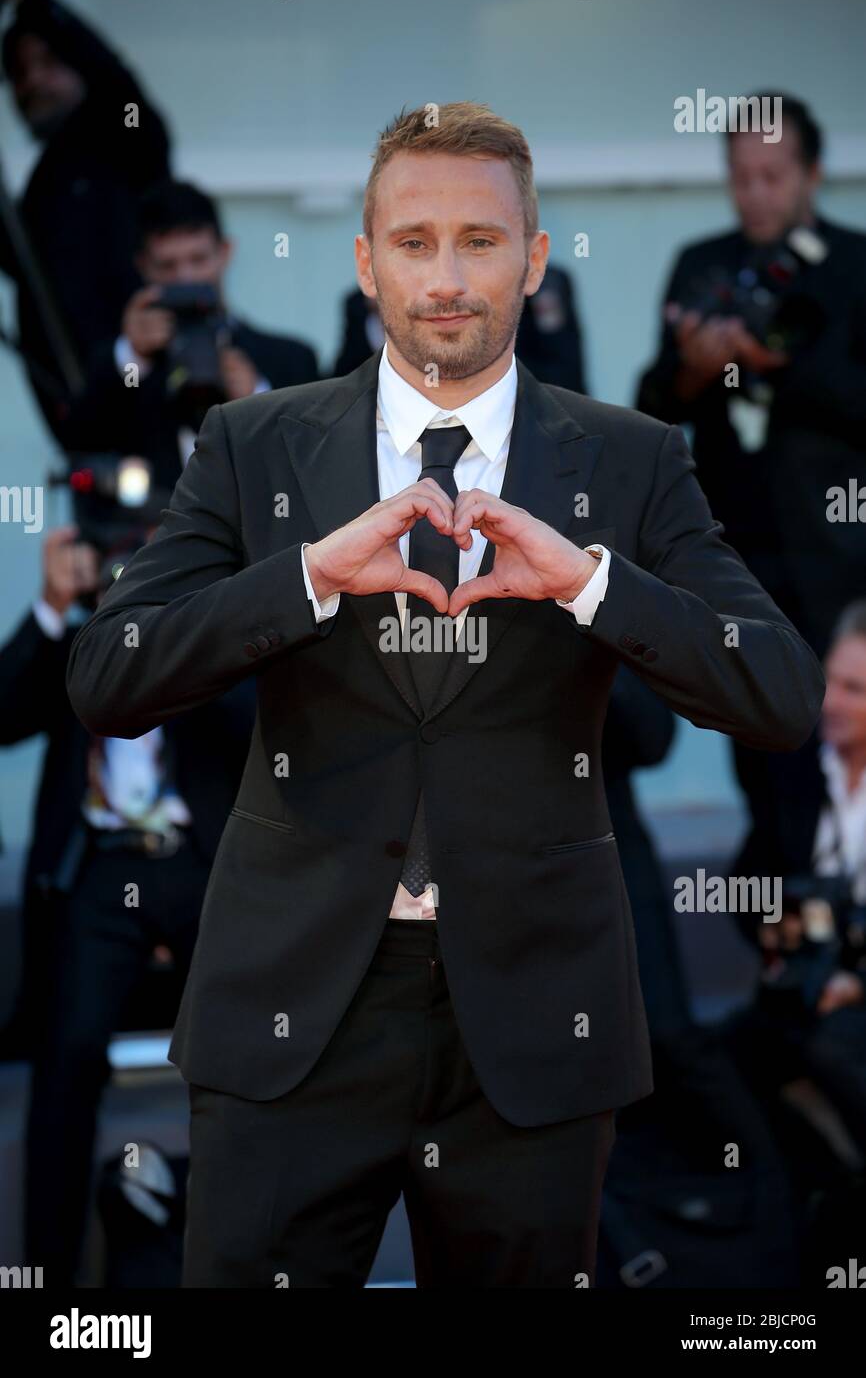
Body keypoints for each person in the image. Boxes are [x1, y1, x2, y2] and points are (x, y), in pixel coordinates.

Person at [65, 101, 824, 1289]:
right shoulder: (250, 444)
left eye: (480, 240)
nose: (447, 275)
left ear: (532, 256)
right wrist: (308, 576)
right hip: (293, 1013)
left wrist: (588, 585)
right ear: (366, 263)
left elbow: (777, 691)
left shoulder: (628, 459)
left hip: (533, 1021)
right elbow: (109, 674)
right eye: (413, 241)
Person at [0, 524, 256, 1286]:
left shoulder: (199, 632)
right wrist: (55, 604)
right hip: (102, 871)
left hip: (201, 861)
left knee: (253, 1046)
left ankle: (252, 1255)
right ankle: (46, 1278)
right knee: (68, 1050)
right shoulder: (72, 643)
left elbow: (252, 725)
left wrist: (187, 616)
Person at [635, 88, 866, 892]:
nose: (757, 193)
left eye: (773, 175)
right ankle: (782, 955)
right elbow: (654, 403)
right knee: (757, 748)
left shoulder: (855, 265)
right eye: (742, 177)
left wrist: (778, 364)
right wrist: (701, 367)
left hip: (839, 560)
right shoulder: (703, 264)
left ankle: (834, 950)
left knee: (839, 748)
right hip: (732, 554)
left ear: (812, 173)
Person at [60, 179, 320, 492]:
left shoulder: (292, 360)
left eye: (198, 260)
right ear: (143, 266)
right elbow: (80, 443)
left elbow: (318, 467)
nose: (185, 277)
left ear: (224, 253)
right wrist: (133, 354)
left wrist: (256, 398)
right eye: (168, 265)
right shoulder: (119, 364)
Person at [722, 600, 866, 1161]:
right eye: (828, 679)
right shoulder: (795, 771)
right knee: (720, 1062)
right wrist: (776, 927)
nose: (831, 701)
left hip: (850, 1005)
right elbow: (745, 881)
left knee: (834, 1050)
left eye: (854, 689)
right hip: (800, 993)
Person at [0, 0, 171, 447]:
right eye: (19, 72)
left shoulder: (126, 142)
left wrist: (30, 1)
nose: (34, 82)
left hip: (150, 409)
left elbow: (114, 81)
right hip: (79, 412)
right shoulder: (42, 185)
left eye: (49, 63)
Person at [334, 261, 588, 391]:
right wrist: (382, 319)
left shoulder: (544, 285)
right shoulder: (363, 302)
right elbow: (345, 378)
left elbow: (563, 373)